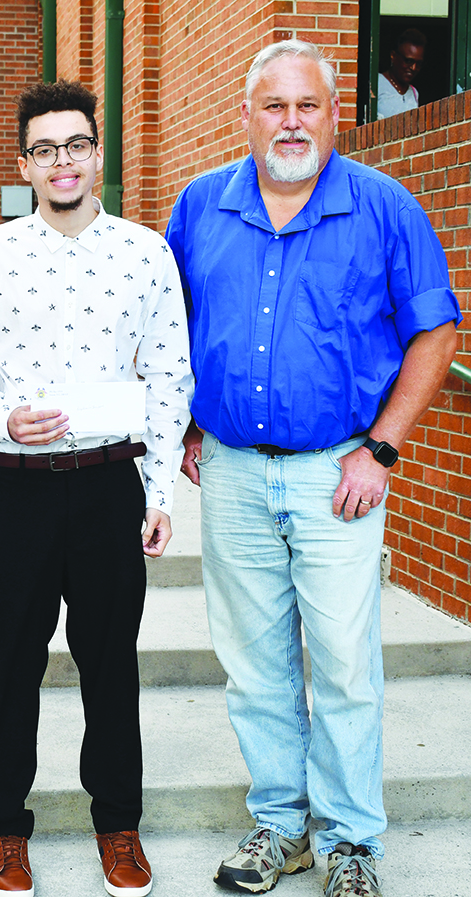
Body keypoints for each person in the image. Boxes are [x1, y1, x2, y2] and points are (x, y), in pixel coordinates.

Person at [166, 40, 460, 897]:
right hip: (229, 471)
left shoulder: (385, 206)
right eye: (274, 106)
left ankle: (352, 842)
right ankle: (281, 826)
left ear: (337, 115)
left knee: (339, 661)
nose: (290, 122)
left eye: (308, 106)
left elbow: (435, 331)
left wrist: (383, 448)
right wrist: (184, 422)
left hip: (341, 474)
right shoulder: (199, 206)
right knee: (255, 662)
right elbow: (168, 323)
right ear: (246, 114)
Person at [0, 79, 193, 897]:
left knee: (109, 664)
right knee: (9, 666)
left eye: (76, 144)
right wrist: (0, 421)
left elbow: (168, 376)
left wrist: (159, 492)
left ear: (97, 153)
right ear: (25, 162)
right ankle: (4, 831)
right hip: (18, 490)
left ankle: (117, 825)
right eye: (45, 148)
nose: (62, 161)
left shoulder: (144, 251)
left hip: (107, 487)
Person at [377, 28, 425, 119]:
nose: (413, 68)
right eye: (408, 61)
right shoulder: (377, 83)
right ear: (393, 56)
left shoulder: (414, 93)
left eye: (418, 63)